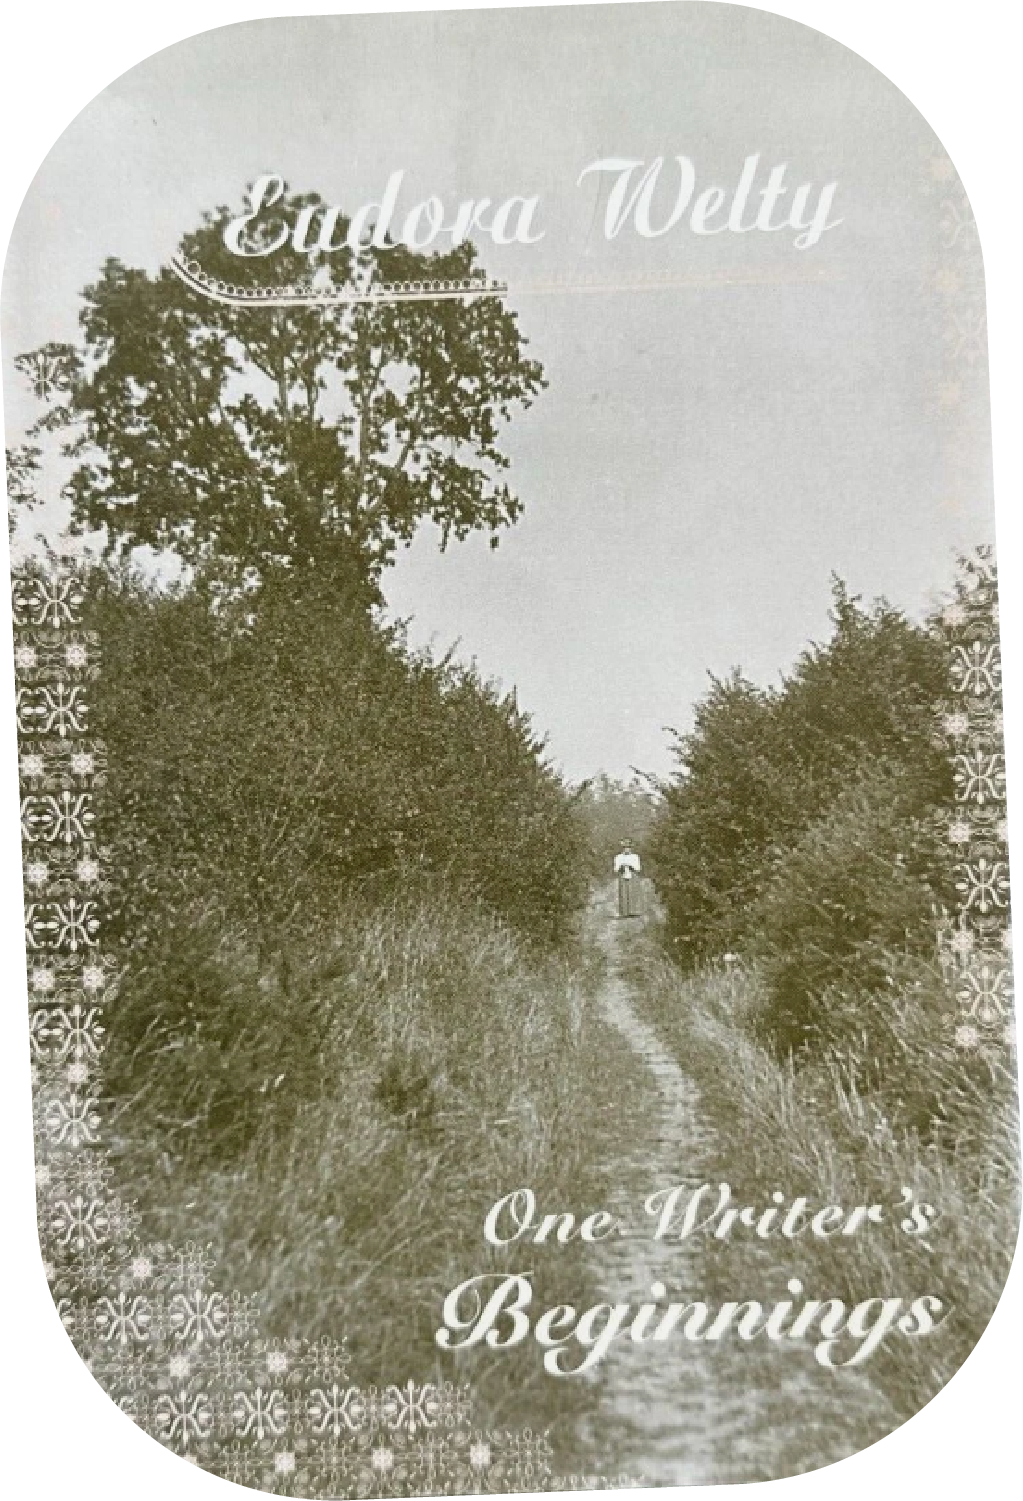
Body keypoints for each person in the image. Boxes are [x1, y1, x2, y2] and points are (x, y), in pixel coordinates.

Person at [613, 844, 642, 918]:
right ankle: (624, 912)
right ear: (623, 848)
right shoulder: (618, 857)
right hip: (622, 874)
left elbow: (638, 868)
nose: (627, 849)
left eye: (628, 847)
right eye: (625, 847)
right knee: (623, 892)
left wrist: (631, 866)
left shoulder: (635, 857)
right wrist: (621, 867)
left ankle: (633, 911)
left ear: (631, 848)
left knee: (633, 891)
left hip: (633, 874)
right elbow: (615, 869)